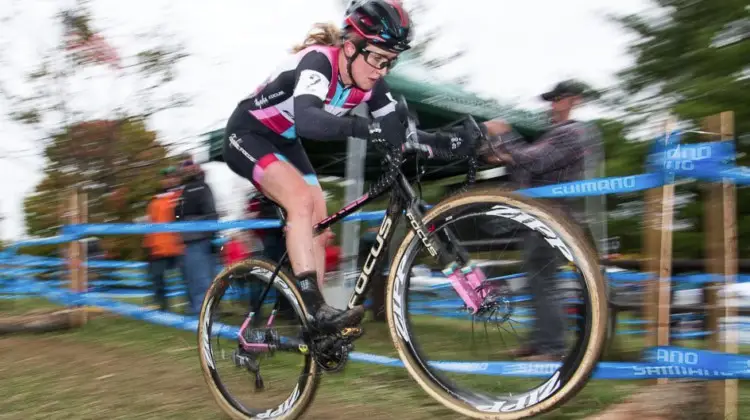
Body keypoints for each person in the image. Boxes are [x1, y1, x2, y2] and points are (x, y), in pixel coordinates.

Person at [222, 0, 478, 332]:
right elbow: (310, 121)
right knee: (300, 200)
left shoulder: (371, 83)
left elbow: (401, 136)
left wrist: (452, 142)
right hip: (247, 132)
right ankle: (315, 311)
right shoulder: (319, 61)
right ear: (350, 46)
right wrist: (367, 128)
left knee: (319, 224)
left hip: (283, 141)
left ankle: (311, 319)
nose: (381, 70)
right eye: (376, 57)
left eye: (390, 62)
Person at [478, 79, 602, 360]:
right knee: (537, 278)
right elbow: (529, 169)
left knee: (544, 280)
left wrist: (506, 136)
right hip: (543, 217)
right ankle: (540, 341)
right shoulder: (556, 133)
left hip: (555, 218)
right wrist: (505, 155)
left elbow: (536, 161)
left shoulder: (572, 133)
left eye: (557, 99)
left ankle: (552, 347)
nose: (551, 105)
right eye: (550, 100)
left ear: (573, 100)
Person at [175, 158, 219, 316]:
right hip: (189, 241)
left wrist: (211, 235)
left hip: (199, 239)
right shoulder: (184, 190)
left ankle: (206, 315)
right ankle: (199, 312)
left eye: (189, 166)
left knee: (202, 281)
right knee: (194, 280)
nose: (186, 169)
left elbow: (211, 212)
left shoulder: (201, 187)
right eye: (183, 166)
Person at [143, 166, 184, 312]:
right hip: (158, 248)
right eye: (166, 177)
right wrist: (149, 245)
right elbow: (150, 224)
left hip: (179, 246)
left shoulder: (182, 196)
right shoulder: (155, 201)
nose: (169, 180)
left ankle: (195, 308)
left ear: (177, 178)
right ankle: (162, 309)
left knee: (188, 279)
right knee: (158, 281)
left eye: (173, 177)